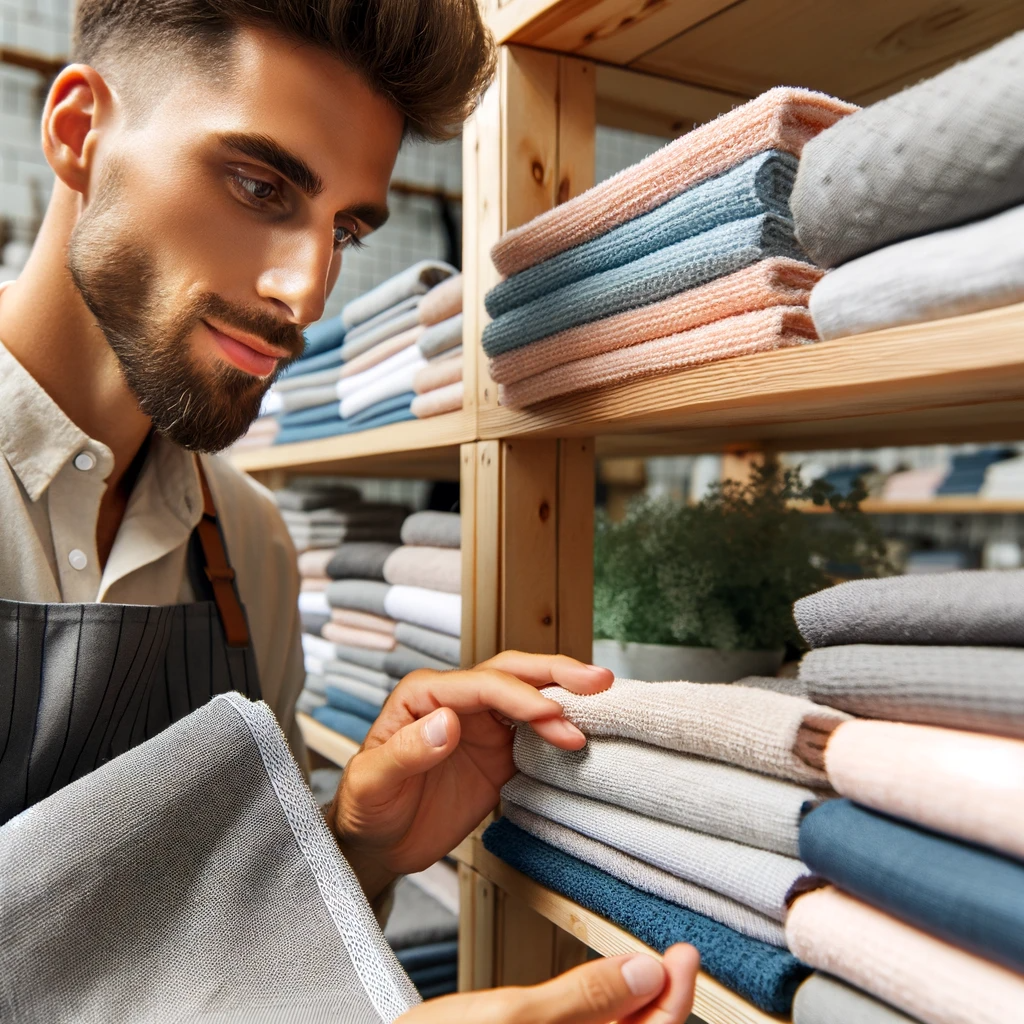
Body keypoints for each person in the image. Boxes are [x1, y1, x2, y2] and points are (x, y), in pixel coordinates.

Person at [0, 1, 699, 1020]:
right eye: (259, 186)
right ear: (77, 133)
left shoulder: (246, 546)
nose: (306, 291)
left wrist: (351, 842)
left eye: (348, 228)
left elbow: (188, 954)